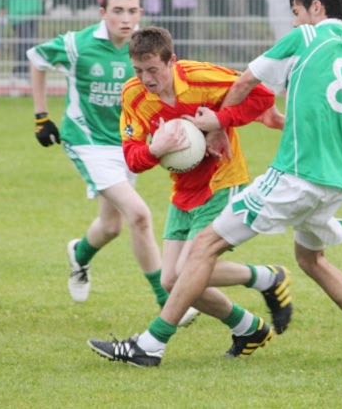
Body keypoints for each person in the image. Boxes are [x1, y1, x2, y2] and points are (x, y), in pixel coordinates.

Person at [88, 0, 342, 367]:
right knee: (312, 260)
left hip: (295, 174)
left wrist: (218, 121)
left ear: (316, 9)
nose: (294, 22)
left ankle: (150, 346)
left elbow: (250, 79)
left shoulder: (306, 38)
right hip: (338, 180)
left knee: (204, 247)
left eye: (296, 12)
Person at [88, 26, 293, 363]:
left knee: (187, 272)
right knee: (170, 280)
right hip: (183, 191)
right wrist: (156, 149)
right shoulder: (133, 96)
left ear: (172, 61)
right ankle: (251, 321)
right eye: (138, 71)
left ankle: (152, 344)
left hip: (221, 181)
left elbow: (261, 98)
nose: (146, 79)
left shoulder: (202, 77)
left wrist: (218, 122)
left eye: (153, 69)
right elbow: (132, 158)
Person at [27, 0, 195, 323]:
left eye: (132, 11)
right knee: (140, 215)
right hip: (86, 142)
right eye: (118, 11)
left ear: (141, 12)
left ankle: (80, 254)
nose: (126, 18)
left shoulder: (143, 51)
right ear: (103, 12)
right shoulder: (78, 44)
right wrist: (41, 115)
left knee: (111, 226)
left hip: (126, 142)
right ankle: (166, 300)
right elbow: (36, 58)